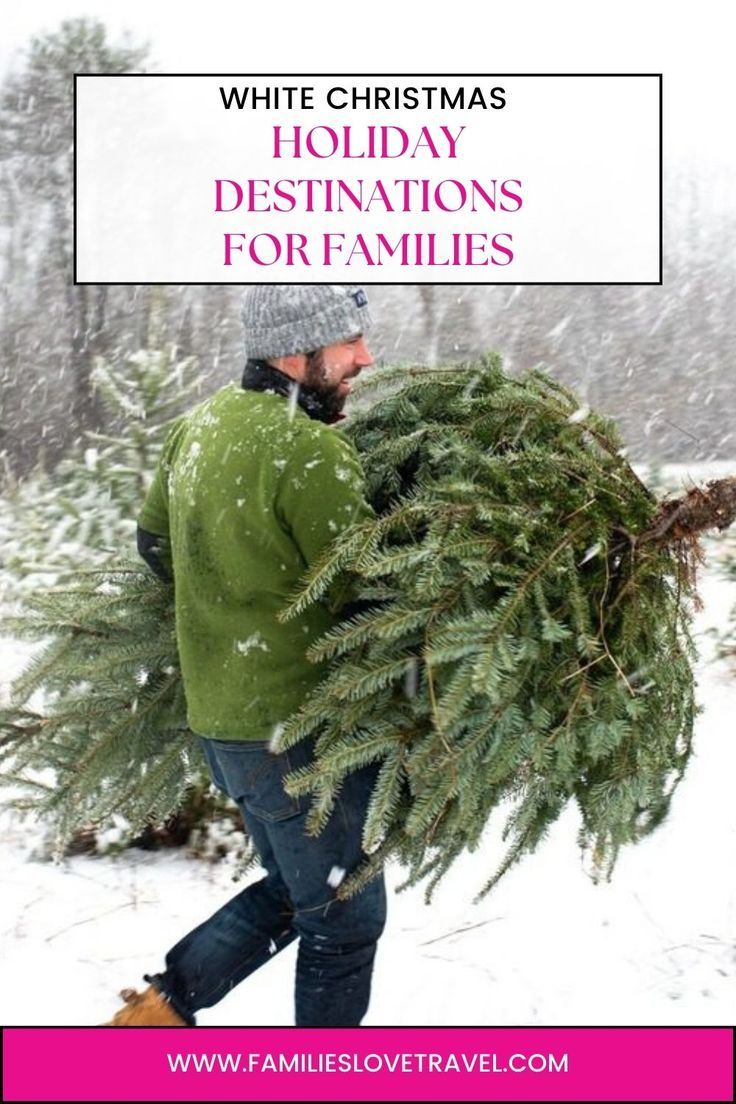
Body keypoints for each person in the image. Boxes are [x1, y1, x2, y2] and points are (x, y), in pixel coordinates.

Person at [106, 285, 386, 1027]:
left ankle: (155, 1017)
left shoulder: (197, 429)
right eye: (349, 344)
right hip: (294, 726)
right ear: (298, 351)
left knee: (302, 892)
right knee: (344, 916)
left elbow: (154, 543)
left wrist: (232, 607)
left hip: (226, 720)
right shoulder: (309, 448)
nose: (366, 358)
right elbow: (360, 592)